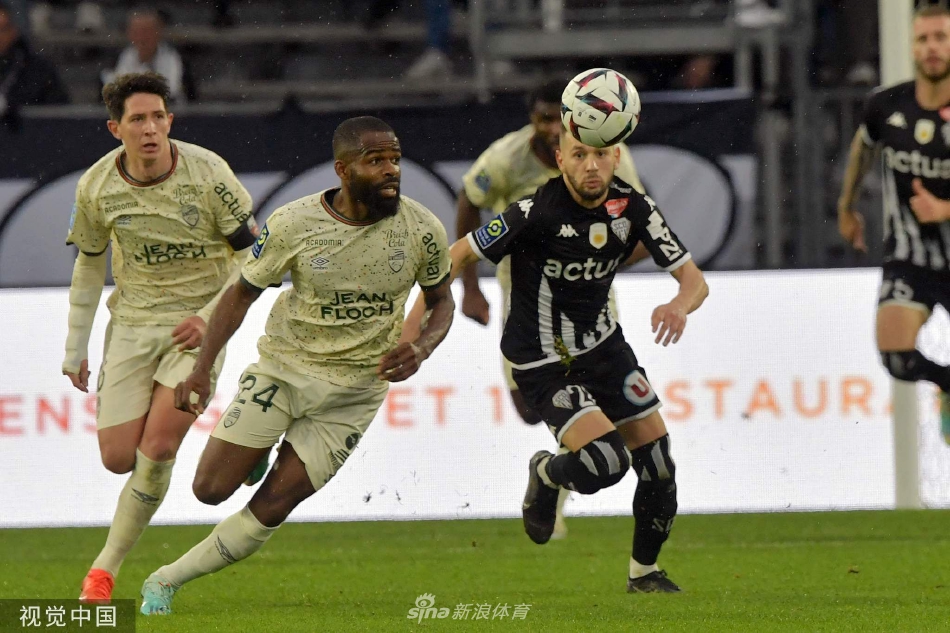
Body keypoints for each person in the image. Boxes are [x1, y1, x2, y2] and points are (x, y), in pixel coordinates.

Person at [138, 116, 455, 616]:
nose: (391, 170)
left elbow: (442, 302)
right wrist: (199, 368)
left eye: (395, 159)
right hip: (285, 372)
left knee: (273, 505)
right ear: (343, 170)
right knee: (209, 490)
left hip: (354, 394)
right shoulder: (294, 223)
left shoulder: (422, 229)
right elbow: (240, 294)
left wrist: (422, 347)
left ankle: (166, 580)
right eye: (375, 160)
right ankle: (258, 450)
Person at [407, 129, 708, 592]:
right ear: (560, 159)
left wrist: (679, 305)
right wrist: (410, 333)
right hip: (543, 360)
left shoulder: (635, 208)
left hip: (605, 349)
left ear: (616, 157)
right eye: (579, 154)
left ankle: (644, 574)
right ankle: (547, 472)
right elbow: (457, 254)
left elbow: (694, 281)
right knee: (606, 462)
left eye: (601, 154)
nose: (591, 165)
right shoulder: (533, 212)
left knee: (660, 466)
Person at [63, 71, 258, 603]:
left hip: (198, 326)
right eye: (137, 120)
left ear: (170, 120)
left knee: (158, 447)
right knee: (117, 457)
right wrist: (75, 346)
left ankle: (103, 572)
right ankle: (249, 444)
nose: (150, 129)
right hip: (132, 324)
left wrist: (210, 316)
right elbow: (89, 264)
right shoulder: (97, 187)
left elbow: (254, 257)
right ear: (115, 129)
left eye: (157, 117)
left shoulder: (209, 173)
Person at [452, 79, 649, 537]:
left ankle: (556, 484)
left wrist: (601, 260)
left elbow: (638, 218)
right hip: (526, 302)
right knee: (528, 408)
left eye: (555, 119)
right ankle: (555, 469)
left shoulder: (607, 153)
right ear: (531, 120)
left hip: (590, 301)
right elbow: (469, 200)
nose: (548, 128)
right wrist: (470, 288)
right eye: (540, 119)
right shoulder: (506, 158)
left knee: (597, 401)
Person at [838, 3, 950, 440]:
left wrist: (944, 210)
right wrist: (846, 206)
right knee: (896, 357)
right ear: (912, 46)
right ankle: (946, 384)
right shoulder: (886, 105)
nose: (932, 47)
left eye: (941, 37)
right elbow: (862, 148)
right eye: (923, 39)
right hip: (909, 258)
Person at [102, 7, 193, 103]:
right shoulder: (113, 64)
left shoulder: (179, 62)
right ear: (129, 34)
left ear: (159, 32)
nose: (142, 37)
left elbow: (190, 100)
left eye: (147, 31)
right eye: (137, 32)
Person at [0, 0, 69, 119]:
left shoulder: (38, 68)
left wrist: (11, 105)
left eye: (2, 30)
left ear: (14, 31)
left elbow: (59, 113)